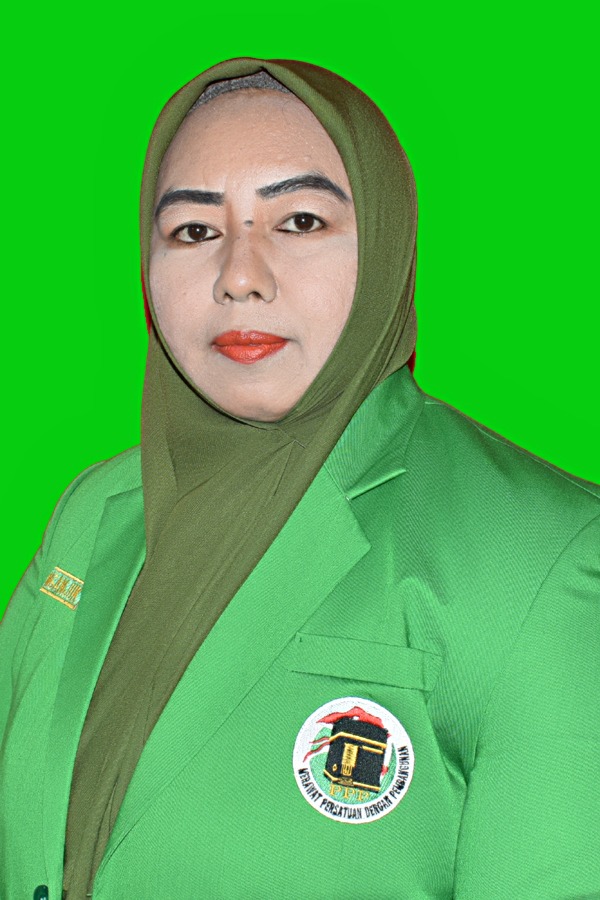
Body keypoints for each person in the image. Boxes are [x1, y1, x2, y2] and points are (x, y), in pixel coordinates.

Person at [0, 57, 598, 900]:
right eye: (194, 231)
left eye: (301, 220)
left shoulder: (548, 559)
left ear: (386, 241)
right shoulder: (96, 510)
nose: (239, 276)